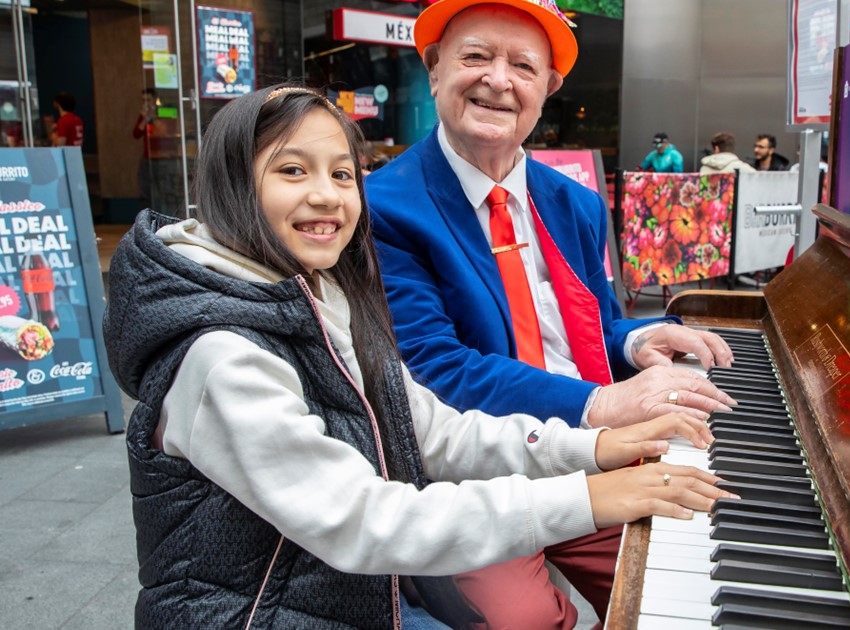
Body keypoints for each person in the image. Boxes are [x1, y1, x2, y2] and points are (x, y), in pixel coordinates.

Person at [104, 84, 730, 629]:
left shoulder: (318, 295)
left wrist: (592, 449)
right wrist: (595, 481)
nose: (326, 196)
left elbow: (429, 425)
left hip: (346, 585)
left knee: (676, 563)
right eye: (292, 171)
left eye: (342, 174)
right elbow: (364, 516)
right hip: (264, 611)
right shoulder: (224, 355)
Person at [365, 2, 737, 627]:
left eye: (522, 66)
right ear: (433, 70)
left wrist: (636, 340)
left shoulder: (576, 204)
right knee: (526, 622)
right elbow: (432, 369)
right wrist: (601, 404)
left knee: (694, 567)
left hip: (588, 453)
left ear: (547, 89)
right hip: (470, 476)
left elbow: (585, 325)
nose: (498, 80)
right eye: (476, 56)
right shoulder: (382, 207)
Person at [133, 89, 157, 208]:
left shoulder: (162, 112)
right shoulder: (144, 116)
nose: (146, 103)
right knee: (145, 188)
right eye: (143, 100)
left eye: (148, 100)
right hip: (148, 156)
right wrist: (144, 118)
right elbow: (136, 134)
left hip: (162, 157)